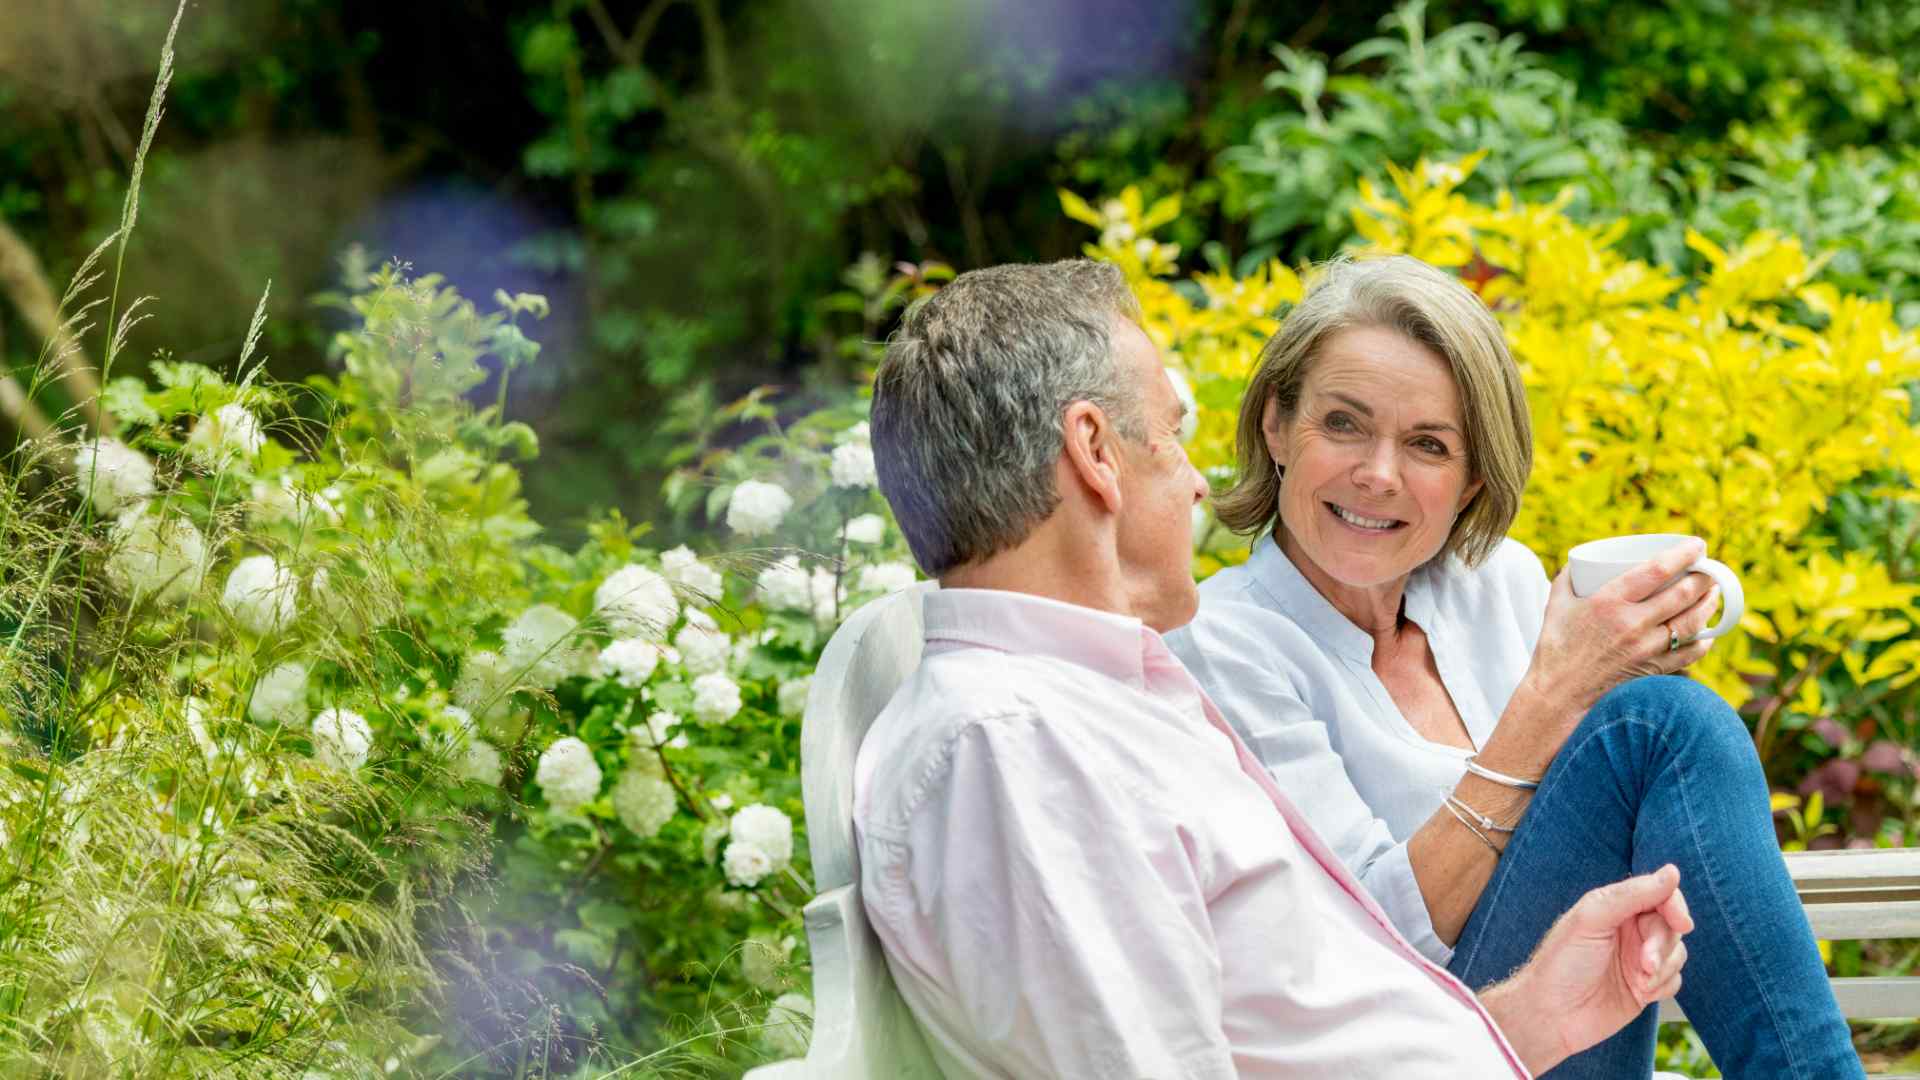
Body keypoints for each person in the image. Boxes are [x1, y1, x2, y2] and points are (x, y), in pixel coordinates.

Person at [856, 257, 1693, 1079]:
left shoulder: (1092, 706)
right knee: (1667, 727)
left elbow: (1301, 1035)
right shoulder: (1011, 749)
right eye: (1173, 433)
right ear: (1095, 452)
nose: (1194, 484)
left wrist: (1534, 1018)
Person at [1165, 254, 1861, 1078]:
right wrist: (1559, 694)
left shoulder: (1501, 584)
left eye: (1427, 444)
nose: (1377, 473)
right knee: (1656, 725)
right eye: (1343, 424)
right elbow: (1370, 942)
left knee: (1661, 724)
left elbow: (1608, 823)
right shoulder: (1221, 643)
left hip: (1575, 1026)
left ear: (1471, 481)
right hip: (1407, 1051)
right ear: (1278, 425)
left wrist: (1631, 659)